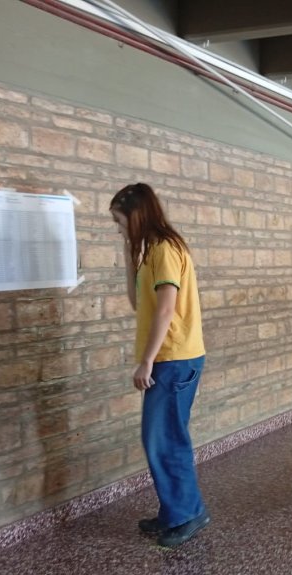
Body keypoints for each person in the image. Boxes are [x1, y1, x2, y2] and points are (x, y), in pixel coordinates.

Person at [110, 183, 209, 548]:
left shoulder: (166, 250)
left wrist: (146, 361)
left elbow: (166, 309)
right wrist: (128, 252)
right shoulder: (152, 252)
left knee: (165, 440)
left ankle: (188, 513)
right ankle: (174, 511)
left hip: (173, 359)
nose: (118, 229)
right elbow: (140, 303)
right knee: (160, 438)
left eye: (120, 222)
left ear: (136, 217)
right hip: (172, 358)